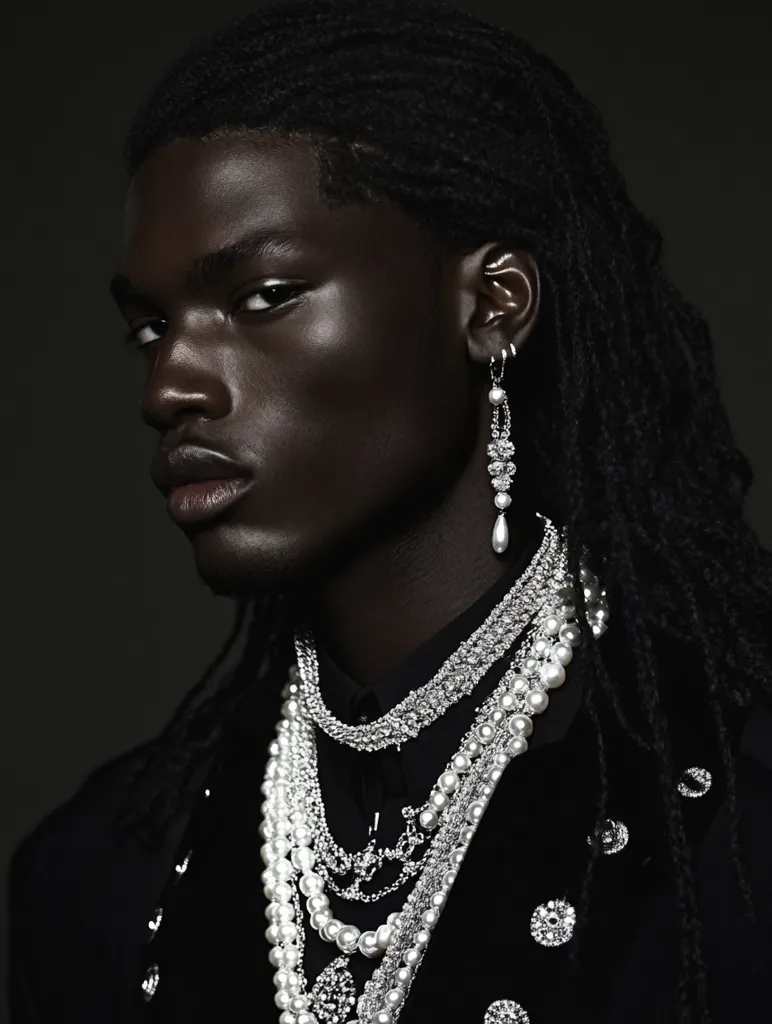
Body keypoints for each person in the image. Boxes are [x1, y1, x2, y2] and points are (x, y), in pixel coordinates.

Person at [8, 0, 772, 1021]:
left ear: (491, 304)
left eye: (263, 295)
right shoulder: (98, 872)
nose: (168, 387)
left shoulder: (728, 825)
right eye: (151, 328)